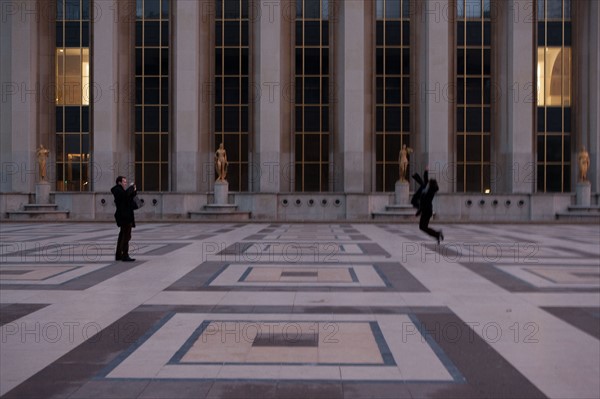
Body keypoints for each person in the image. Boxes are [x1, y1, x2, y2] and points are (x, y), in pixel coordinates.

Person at [412, 169, 444, 244]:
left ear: (430, 185)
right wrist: (426, 171)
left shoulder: (428, 192)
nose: (427, 184)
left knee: (422, 227)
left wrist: (417, 213)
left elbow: (423, 204)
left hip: (427, 211)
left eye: (429, 183)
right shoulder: (429, 190)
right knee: (423, 227)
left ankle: (437, 234)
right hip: (427, 210)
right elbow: (425, 180)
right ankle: (437, 234)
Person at [111, 176, 137, 261]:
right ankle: (125, 255)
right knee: (126, 236)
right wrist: (131, 188)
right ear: (119, 182)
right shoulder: (117, 190)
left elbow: (128, 198)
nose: (125, 183)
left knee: (123, 235)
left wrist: (134, 191)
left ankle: (119, 255)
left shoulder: (120, 190)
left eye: (126, 182)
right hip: (124, 217)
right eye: (124, 182)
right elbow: (125, 196)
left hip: (125, 216)